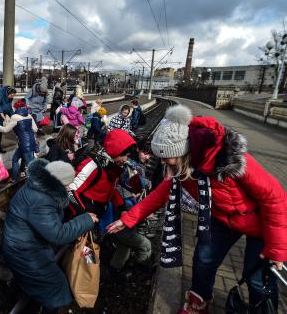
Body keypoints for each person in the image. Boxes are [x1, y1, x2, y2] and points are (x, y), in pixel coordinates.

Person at [107, 105, 287, 313]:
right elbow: (160, 194)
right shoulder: (184, 169)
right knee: (203, 259)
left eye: (166, 157)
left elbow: (274, 199)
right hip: (222, 218)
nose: (163, 162)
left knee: (256, 277)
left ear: (181, 152)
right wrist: (127, 219)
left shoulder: (233, 162)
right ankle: (198, 303)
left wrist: (277, 248)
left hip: (260, 223)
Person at [2, 159, 98, 313]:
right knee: (57, 288)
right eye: (66, 183)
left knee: (37, 282)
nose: (69, 187)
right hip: (24, 252)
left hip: (23, 244)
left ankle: (20, 293)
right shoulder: (41, 200)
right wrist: (86, 220)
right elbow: (58, 235)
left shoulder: (39, 188)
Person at [68, 129, 148, 277]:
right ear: (114, 151)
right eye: (123, 155)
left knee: (93, 245)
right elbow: (70, 191)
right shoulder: (92, 165)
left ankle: (94, 272)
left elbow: (111, 191)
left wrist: (122, 208)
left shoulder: (112, 167)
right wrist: (84, 216)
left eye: (127, 156)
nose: (125, 159)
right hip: (84, 215)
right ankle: (89, 276)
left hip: (97, 214)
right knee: (87, 248)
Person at [0, 99, 38, 181]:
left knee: (31, 166)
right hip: (31, 142)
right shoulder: (29, 115)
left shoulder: (15, 117)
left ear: (15, 108)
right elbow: (35, 129)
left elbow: (6, 130)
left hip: (23, 143)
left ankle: (37, 183)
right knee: (16, 159)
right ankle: (13, 178)